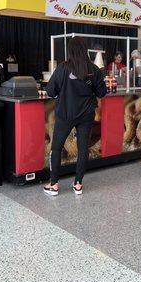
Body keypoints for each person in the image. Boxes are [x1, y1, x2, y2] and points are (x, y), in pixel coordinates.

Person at [44, 37, 107, 196]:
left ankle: (54, 185)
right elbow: (102, 93)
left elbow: (50, 91)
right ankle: (78, 184)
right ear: (85, 50)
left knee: (56, 148)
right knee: (83, 148)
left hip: (65, 114)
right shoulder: (94, 69)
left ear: (70, 51)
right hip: (86, 115)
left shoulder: (62, 68)